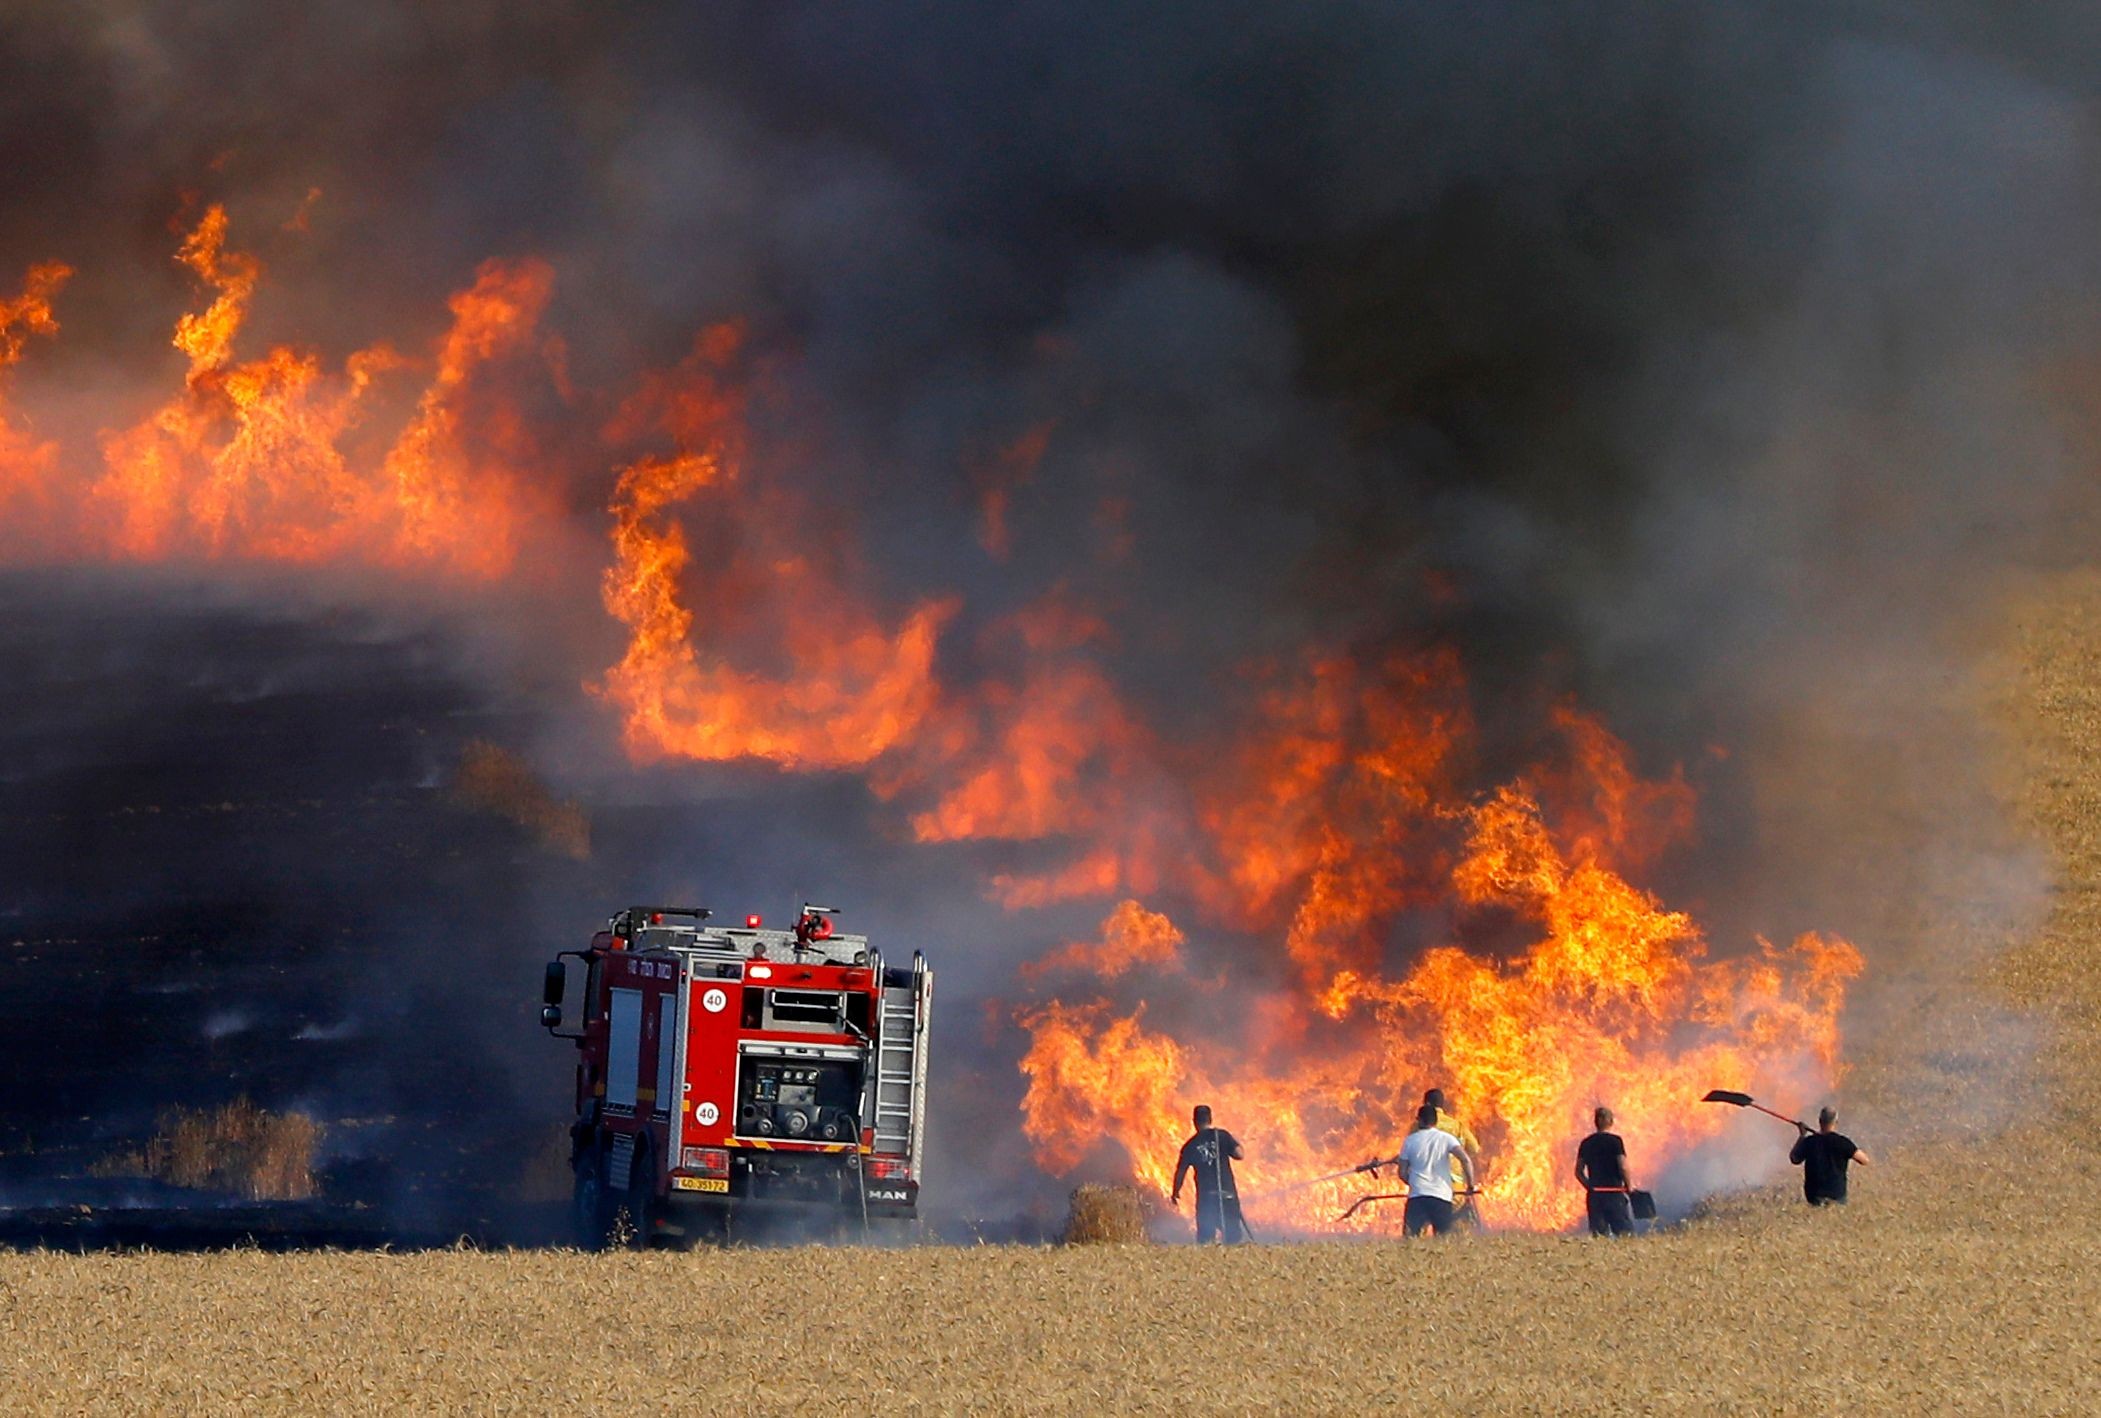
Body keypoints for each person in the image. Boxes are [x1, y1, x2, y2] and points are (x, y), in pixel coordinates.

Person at [1385, 1103, 1477, 1237]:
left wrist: (1414, 1183)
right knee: (1443, 1241)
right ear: (1435, 1121)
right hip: (1442, 1198)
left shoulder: (1410, 1141)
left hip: (1418, 1198)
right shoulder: (1447, 1138)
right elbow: (1466, 1159)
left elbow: (1402, 1172)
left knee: (1411, 1243)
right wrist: (1470, 1185)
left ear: (1420, 1120)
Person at [1170, 1104, 1247, 1243]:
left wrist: (1175, 1192)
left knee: (1206, 1240)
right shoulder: (1222, 1136)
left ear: (1194, 1121)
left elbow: (1180, 1172)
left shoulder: (1190, 1146)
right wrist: (1233, 1141)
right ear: (1210, 1119)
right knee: (1233, 1238)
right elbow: (1240, 1155)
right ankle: (1231, 1263)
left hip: (1207, 1198)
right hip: (1227, 1194)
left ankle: (1209, 1262)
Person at [1423, 1087, 1483, 1226]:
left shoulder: (1419, 1126)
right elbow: (1474, 1149)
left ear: (1426, 1105)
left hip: (1427, 1188)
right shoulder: (1457, 1125)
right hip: (1455, 1191)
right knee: (1456, 1233)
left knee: (1418, 1233)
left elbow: (1412, 1149)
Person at [1789, 1105, 1869, 1205]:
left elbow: (1794, 1159)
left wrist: (1802, 1135)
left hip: (1814, 1197)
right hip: (1837, 1196)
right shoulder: (1842, 1142)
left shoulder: (1809, 1142)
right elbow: (1864, 1160)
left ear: (1819, 1121)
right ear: (1836, 1122)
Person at [1574, 1106, 1634, 1237]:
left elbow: (1578, 1171)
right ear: (1610, 1122)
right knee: (1625, 1236)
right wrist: (1629, 1186)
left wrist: (1589, 1186)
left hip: (1595, 1196)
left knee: (1599, 1237)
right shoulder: (1615, 1142)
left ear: (1596, 1122)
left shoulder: (1586, 1143)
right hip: (1614, 1194)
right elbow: (1623, 1166)